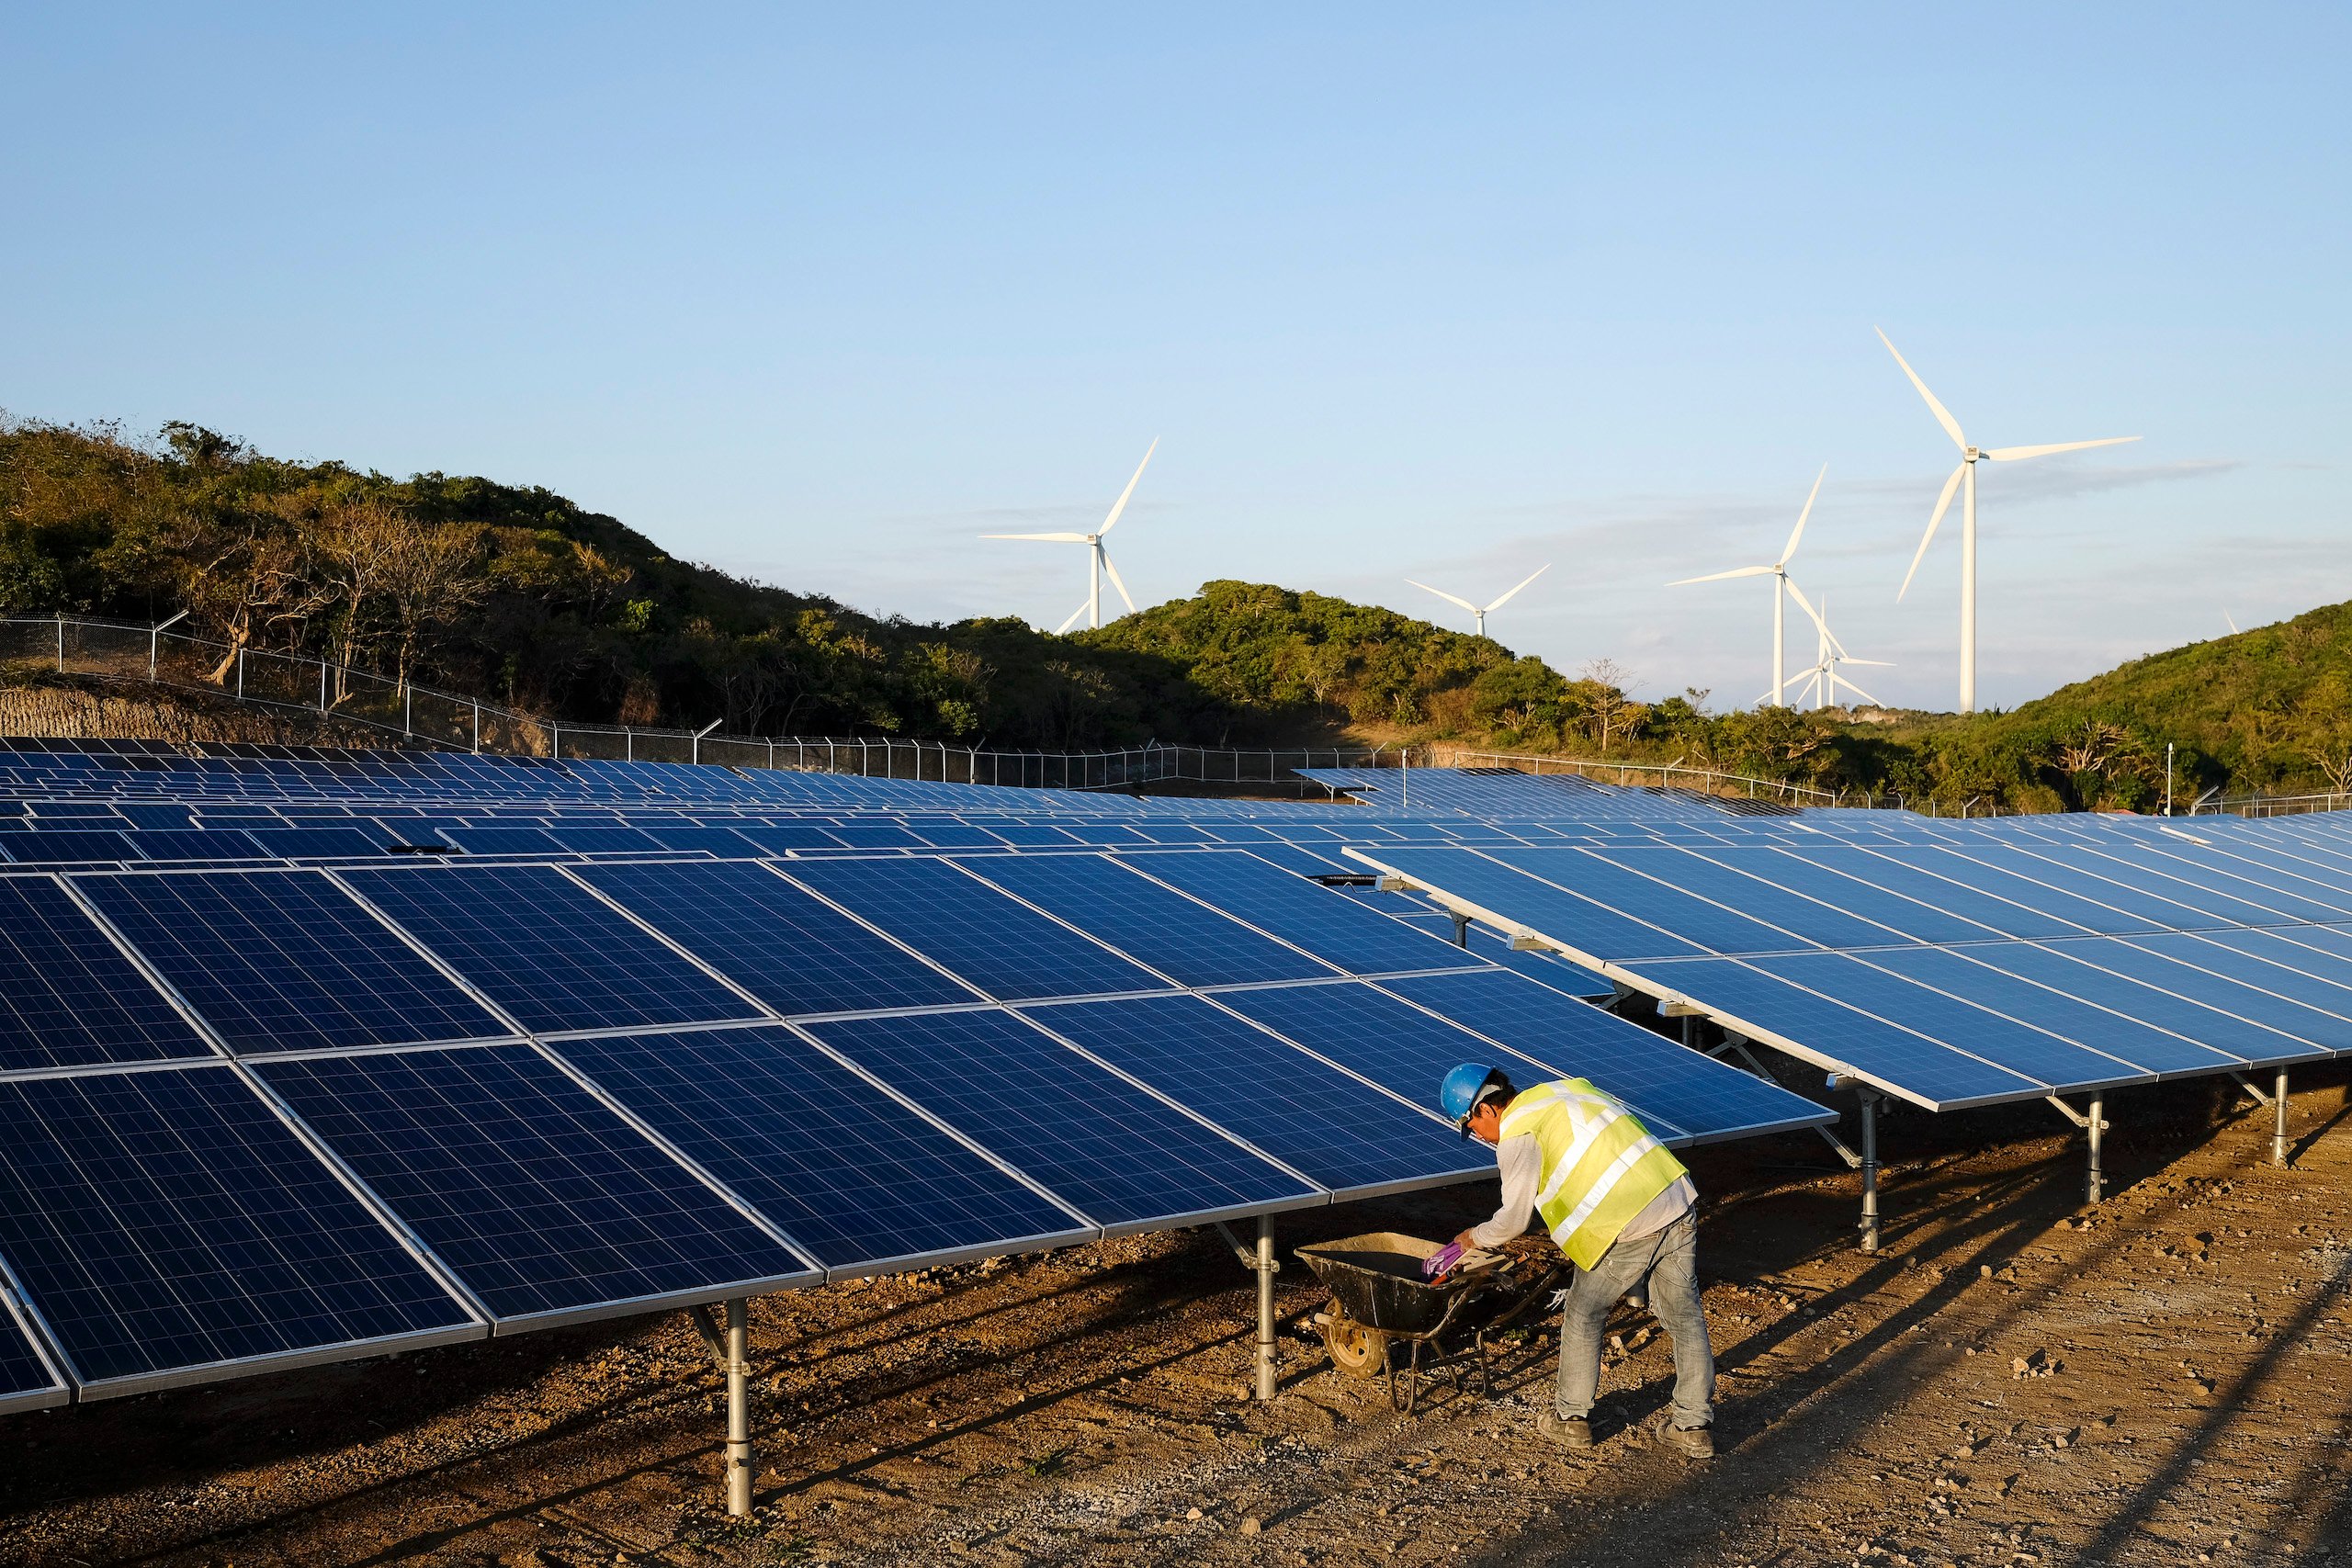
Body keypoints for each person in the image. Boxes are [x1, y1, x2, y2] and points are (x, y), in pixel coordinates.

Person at [1439, 1062, 1715, 1458]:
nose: (1480, 1137)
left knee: (1585, 1314)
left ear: (1486, 1110)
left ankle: (1570, 1419)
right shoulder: (1564, 1090)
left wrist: (1471, 1238)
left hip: (1627, 1220)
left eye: (1472, 1127)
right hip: (1675, 1198)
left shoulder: (1518, 1132)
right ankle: (1693, 1427)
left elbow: (1515, 1220)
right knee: (1685, 1315)